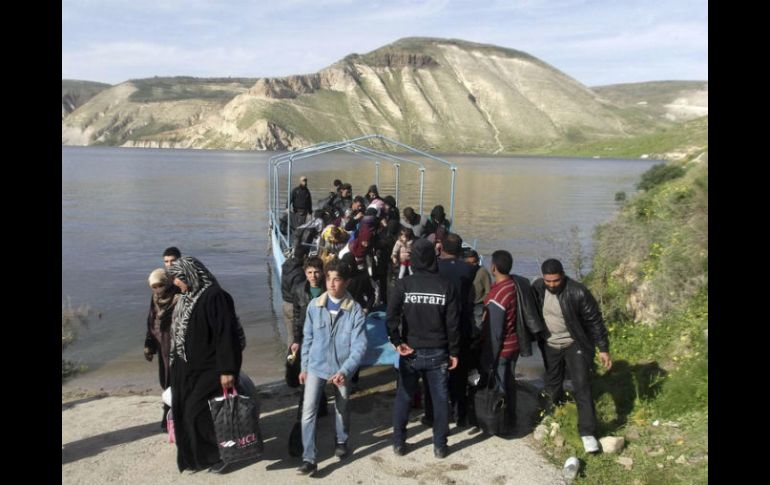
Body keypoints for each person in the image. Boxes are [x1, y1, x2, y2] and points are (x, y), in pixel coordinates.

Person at [167, 256, 243, 474]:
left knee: (197, 413)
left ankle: (219, 454)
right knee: (184, 412)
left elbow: (226, 335)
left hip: (210, 369)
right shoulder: (185, 298)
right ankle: (196, 458)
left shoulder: (215, 297)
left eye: (179, 278)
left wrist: (227, 370)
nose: (176, 283)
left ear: (191, 275)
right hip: (185, 369)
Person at [387, 238, 460, 459]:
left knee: (405, 397)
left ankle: (399, 442)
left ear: (414, 260)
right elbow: (453, 323)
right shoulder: (446, 286)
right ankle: (440, 446)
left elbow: (391, 318)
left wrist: (397, 342)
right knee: (439, 399)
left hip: (411, 351)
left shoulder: (403, 285)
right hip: (438, 351)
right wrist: (454, 351)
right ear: (433, 258)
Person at [531, 258, 612, 454]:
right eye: (548, 281)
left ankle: (587, 432)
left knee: (582, 385)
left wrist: (603, 348)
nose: (552, 285)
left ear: (563, 276)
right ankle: (554, 412)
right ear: (543, 278)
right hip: (549, 344)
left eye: (556, 281)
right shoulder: (538, 288)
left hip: (574, 343)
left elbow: (594, 320)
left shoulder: (578, 292)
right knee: (552, 381)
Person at [297, 259, 368, 476]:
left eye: (336, 279)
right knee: (308, 411)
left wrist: (345, 371)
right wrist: (304, 367)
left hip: (342, 369)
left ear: (346, 282)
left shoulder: (355, 310)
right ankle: (309, 457)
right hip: (315, 367)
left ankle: (342, 440)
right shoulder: (314, 306)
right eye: (329, 278)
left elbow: (360, 346)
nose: (331, 284)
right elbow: (307, 339)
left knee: (342, 407)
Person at [477, 250, 545, 435]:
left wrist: (490, 355)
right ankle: (511, 418)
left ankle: (500, 423)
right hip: (515, 343)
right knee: (509, 380)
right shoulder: (516, 285)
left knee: (500, 386)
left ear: (493, 268)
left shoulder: (498, 296)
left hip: (502, 348)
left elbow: (495, 332)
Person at [144, 268, 180, 430]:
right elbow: (151, 322)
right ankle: (169, 415)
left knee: (175, 381)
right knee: (165, 382)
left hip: (175, 347)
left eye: (160, 285)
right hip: (161, 348)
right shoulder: (155, 299)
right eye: (154, 286)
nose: (157, 289)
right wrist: (149, 345)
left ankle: (171, 416)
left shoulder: (178, 297)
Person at [464, 249, 490, 327]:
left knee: (478, 328)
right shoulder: (462, 271)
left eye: (474, 262)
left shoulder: (483, 272)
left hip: (478, 305)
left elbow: (488, 291)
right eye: (468, 263)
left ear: (478, 261)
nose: (472, 265)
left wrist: (485, 309)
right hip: (464, 304)